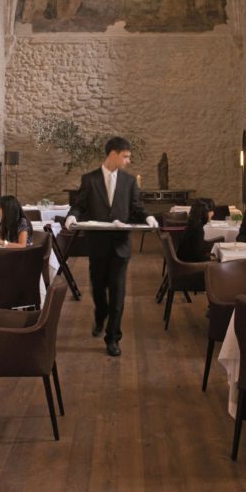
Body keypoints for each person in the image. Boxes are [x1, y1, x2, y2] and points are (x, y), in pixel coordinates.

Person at [65, 137, 158, 357]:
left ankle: (113, 338)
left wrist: (149, 217)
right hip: (97, 245)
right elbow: (79, 206)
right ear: (113, 154)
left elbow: (137, 208)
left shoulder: (129, 181)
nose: (128, 161)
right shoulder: (89, 180)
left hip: (120, 246)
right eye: (125, 156)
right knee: (98, 289)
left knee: (118, 293)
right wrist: (71, 217)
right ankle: (100, 316)